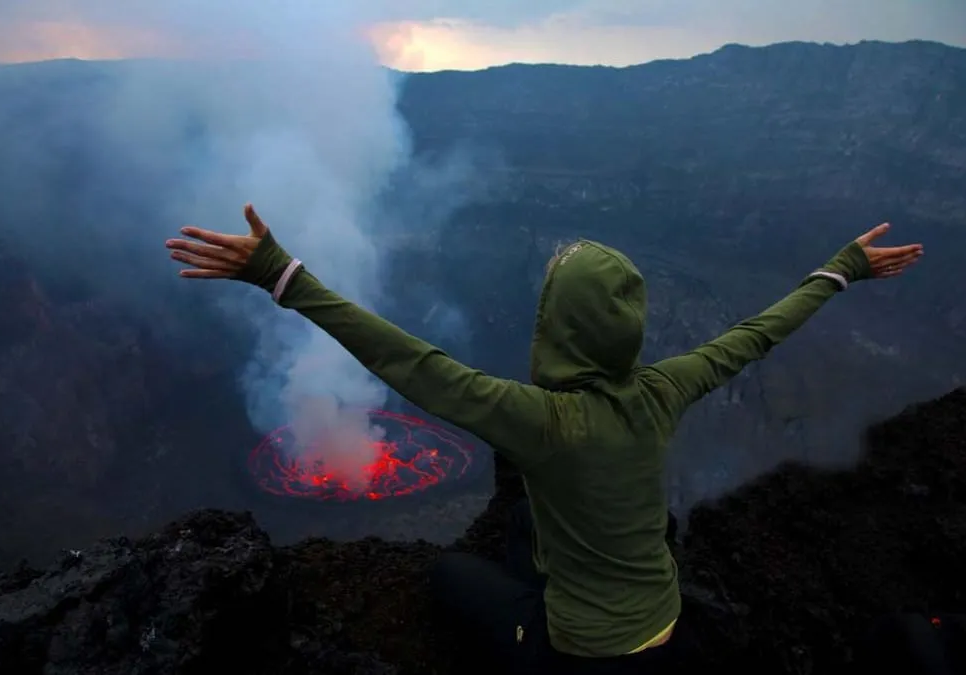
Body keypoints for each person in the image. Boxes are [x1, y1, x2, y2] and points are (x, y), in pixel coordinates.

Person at [165, 205, 924, 673]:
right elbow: (756, 335)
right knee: (533, 517)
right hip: (670, 619)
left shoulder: (541, 421)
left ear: (556, 327)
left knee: (451, 581)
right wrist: (841, 269)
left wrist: (281, 274)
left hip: (586, 656)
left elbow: (409, 361)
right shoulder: (666, 388)